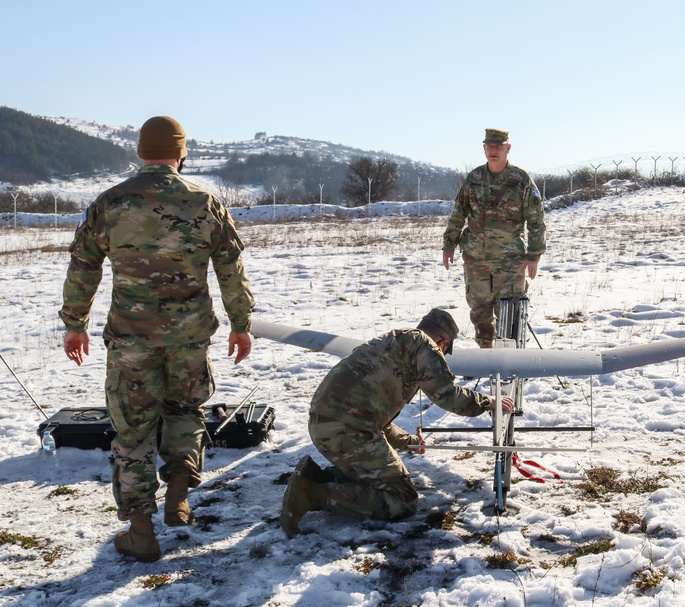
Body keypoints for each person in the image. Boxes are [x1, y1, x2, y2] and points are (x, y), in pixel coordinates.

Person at [60, 115, 256, 562]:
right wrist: (241, 323)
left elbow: (83, 266)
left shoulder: (111, 202)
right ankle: (180, 493)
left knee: (132, 432)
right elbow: (231, 268)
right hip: (190, 337)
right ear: (181, 152)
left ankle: (141, 531)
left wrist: (75, 323)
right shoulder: (204, 202)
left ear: (140, 153)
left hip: (131, 339)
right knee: (185, 411)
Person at [280, 308, 513, 536]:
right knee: (401, 499)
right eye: (443, 351)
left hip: (326, 425)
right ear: (442, 341)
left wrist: (410, 442)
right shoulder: (423, 345)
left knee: (379, 478)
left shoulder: (390, 344)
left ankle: (319, 478)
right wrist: (489, 402)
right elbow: (448, 396)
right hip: (348, 431)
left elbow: (375, 419)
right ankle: (312, 494)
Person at [442, 128, 547, 348]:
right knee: (480, 313)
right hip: (476, 259)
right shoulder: (474, 178)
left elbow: (536, 218)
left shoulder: (521, 180)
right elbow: (459, 213)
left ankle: (509, 364)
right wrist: (449, 244)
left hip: (509, 262)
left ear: (507, 148)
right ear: (484, 149)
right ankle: (486, 357)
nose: (493, 151)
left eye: (498, 147)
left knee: (509, 315)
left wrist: (534, 255)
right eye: (489, 147)